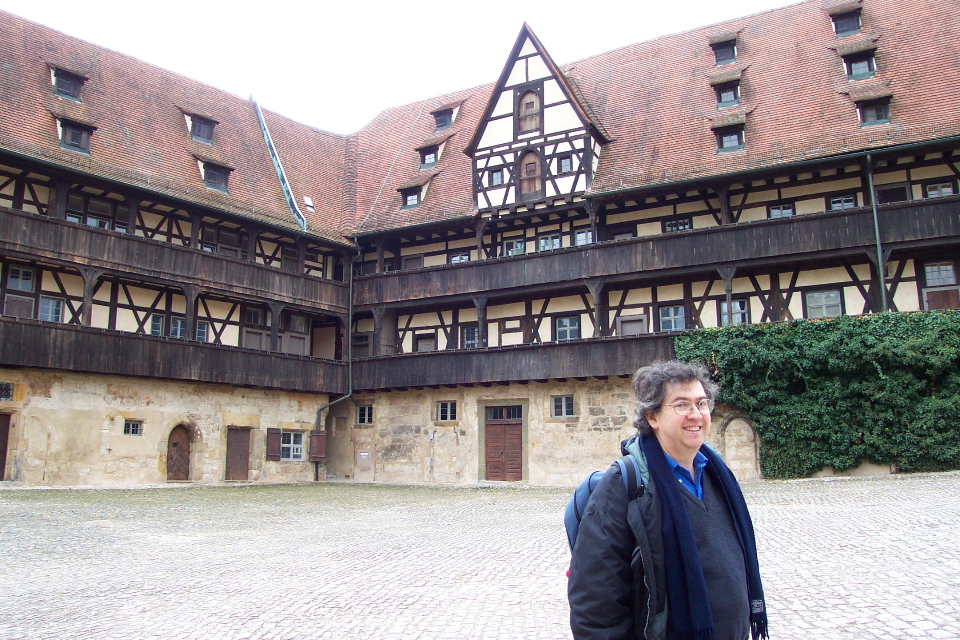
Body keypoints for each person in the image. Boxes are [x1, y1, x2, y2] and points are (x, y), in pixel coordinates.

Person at [568, 361, 768, 640]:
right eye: (682, 405)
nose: (696, 414)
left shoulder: (718, 476)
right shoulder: (625, 484)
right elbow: (595, 601)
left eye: (701, 403)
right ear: (652, 416)